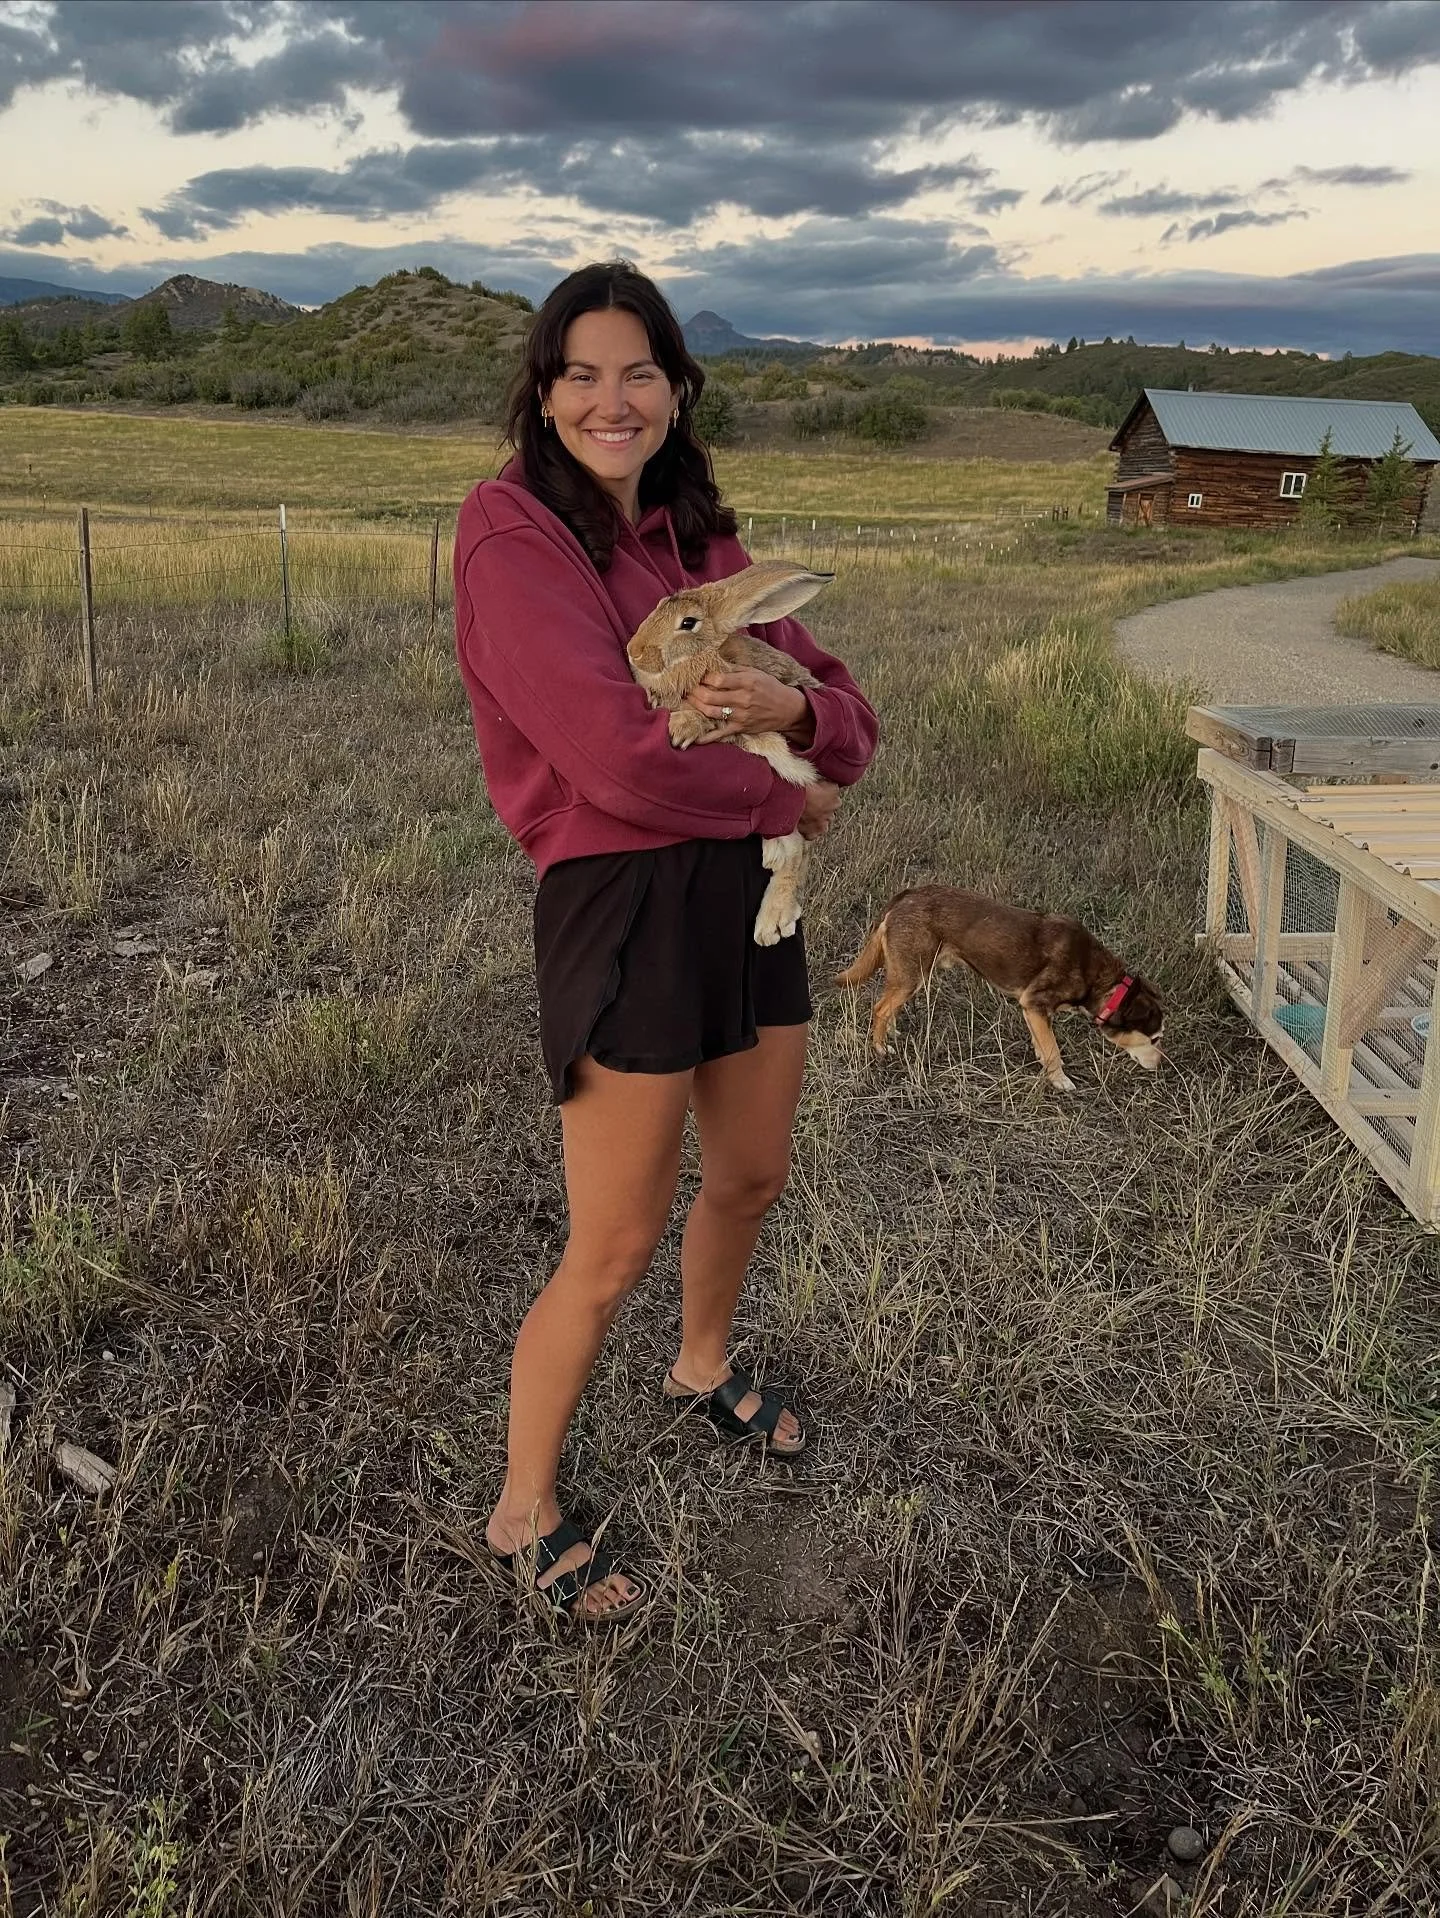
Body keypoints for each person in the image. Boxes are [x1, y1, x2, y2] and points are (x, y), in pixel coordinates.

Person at [453, 260, 878, 1623]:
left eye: (638, 371)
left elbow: (850, 714)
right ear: (542, 389)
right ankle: (523, 1507)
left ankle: (700, 1367)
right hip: (627, 899)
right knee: (615, 1236)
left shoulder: (700, 540)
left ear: (677, 388)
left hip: (746, 889)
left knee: (752, 1171)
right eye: (580, 372)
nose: (610, 398)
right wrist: (790, 788)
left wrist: (802, 720)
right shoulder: (514, 535)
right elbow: (618, 764)